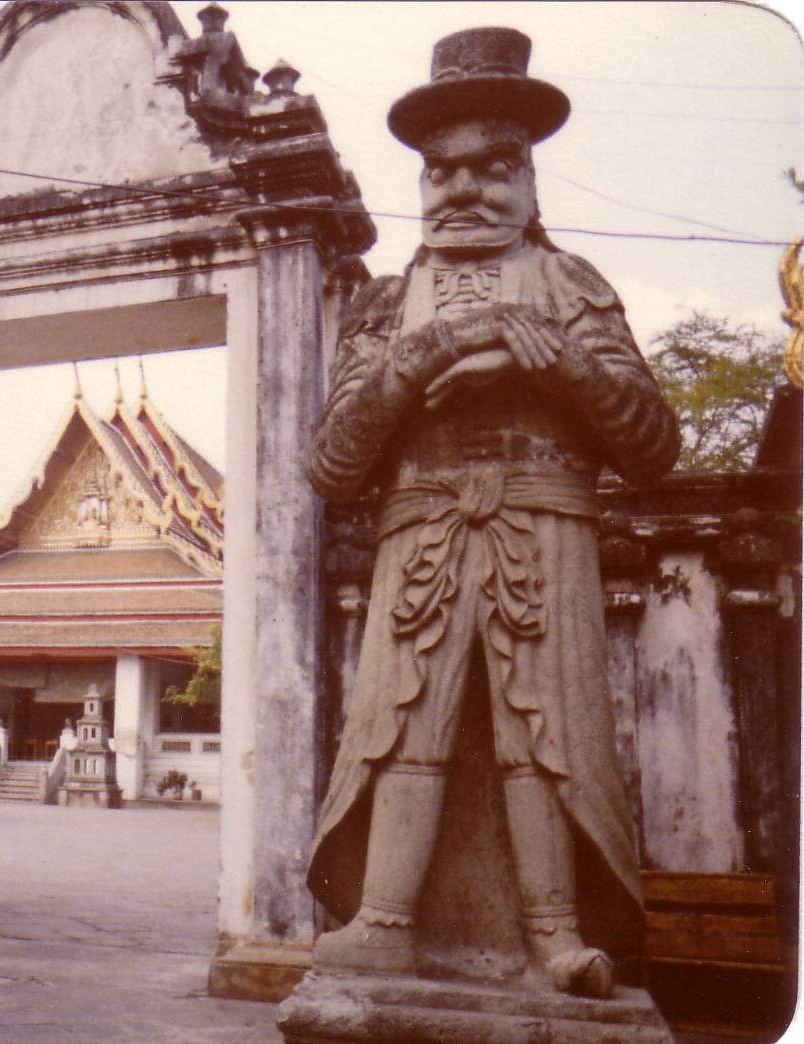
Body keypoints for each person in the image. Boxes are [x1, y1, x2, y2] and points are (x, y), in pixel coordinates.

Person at [305, 28, 679, 997]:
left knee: (538, 737)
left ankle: (553, 939)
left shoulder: (568, 284)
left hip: (541, 527)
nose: (462, 188)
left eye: (489, 167)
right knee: (403, 726)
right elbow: (332, 462)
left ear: (527, 178)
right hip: (420, 530)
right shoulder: (387, 303)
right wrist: (422, 356)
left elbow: (648, 446)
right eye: (439, 172)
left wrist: (549, 359)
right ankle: (384, 920)